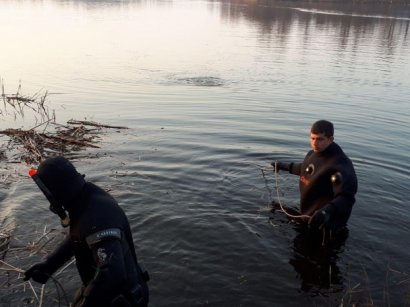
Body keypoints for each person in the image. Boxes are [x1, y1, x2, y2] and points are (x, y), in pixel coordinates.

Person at [23, 156, 149, 307]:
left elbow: (113, 275)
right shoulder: (86, 198)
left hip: (125, 300)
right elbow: (78, 235)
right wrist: (49, 265)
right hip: (112, 292)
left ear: (56, 193)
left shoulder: (97, 218)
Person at [272, 120, 358, 232]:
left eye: (320, 139)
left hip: (326, 227)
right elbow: (306, 169)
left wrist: (325, 212)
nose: (315, 143)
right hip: (307, 217)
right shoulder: (312, 154)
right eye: (312, 138)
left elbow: (347, 197)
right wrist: (283, 166)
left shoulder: (340, 165)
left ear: (330, 139)